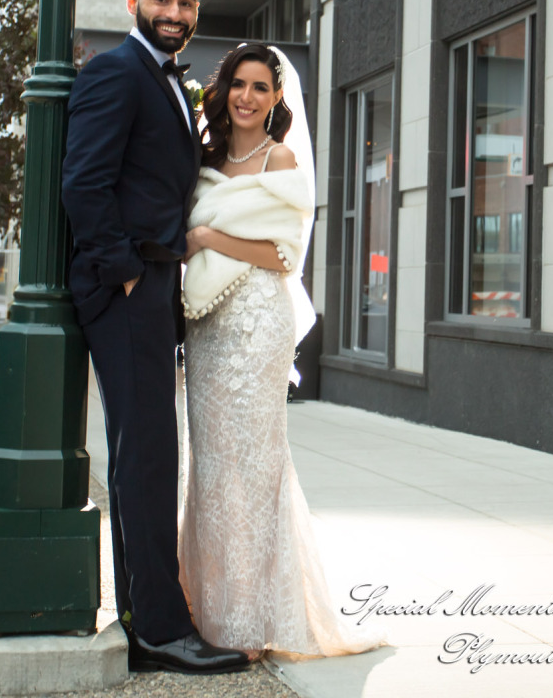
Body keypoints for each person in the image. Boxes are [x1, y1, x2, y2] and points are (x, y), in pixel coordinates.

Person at [61, 0, 249, 676]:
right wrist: (128, 274)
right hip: (126, 290)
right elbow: (85, 179)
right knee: (147, 457)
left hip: (149, 289)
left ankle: (145, 620)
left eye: (187, 2)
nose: (174, 12)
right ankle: (162, 632)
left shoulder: (163, 78)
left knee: (144, 456)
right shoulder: (116, 70)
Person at [178, 43, 374, 658]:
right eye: (238, 84)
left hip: (258, 322)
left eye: (261, 87)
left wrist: (208, 235)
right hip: (207, 326)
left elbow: (282, 255)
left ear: (275, 98)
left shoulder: (281, 158)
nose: (246, 97)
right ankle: (207, 612)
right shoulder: (202, 161)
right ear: (224, 90)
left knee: (255, 466)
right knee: (209, 464)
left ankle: (255, 620)